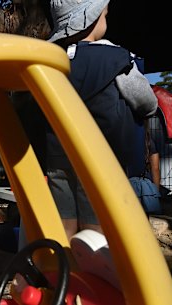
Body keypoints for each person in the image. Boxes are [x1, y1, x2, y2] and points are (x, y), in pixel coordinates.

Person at [44, 0, 158, 239]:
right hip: (100, 158)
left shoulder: (50, 63)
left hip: (58, 157)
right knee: (95, 229)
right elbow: (146, 102)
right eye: (104, 15)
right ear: (92, 19)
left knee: (63, 226)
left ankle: (62, 271)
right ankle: (94, 272)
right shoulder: (117, 59)